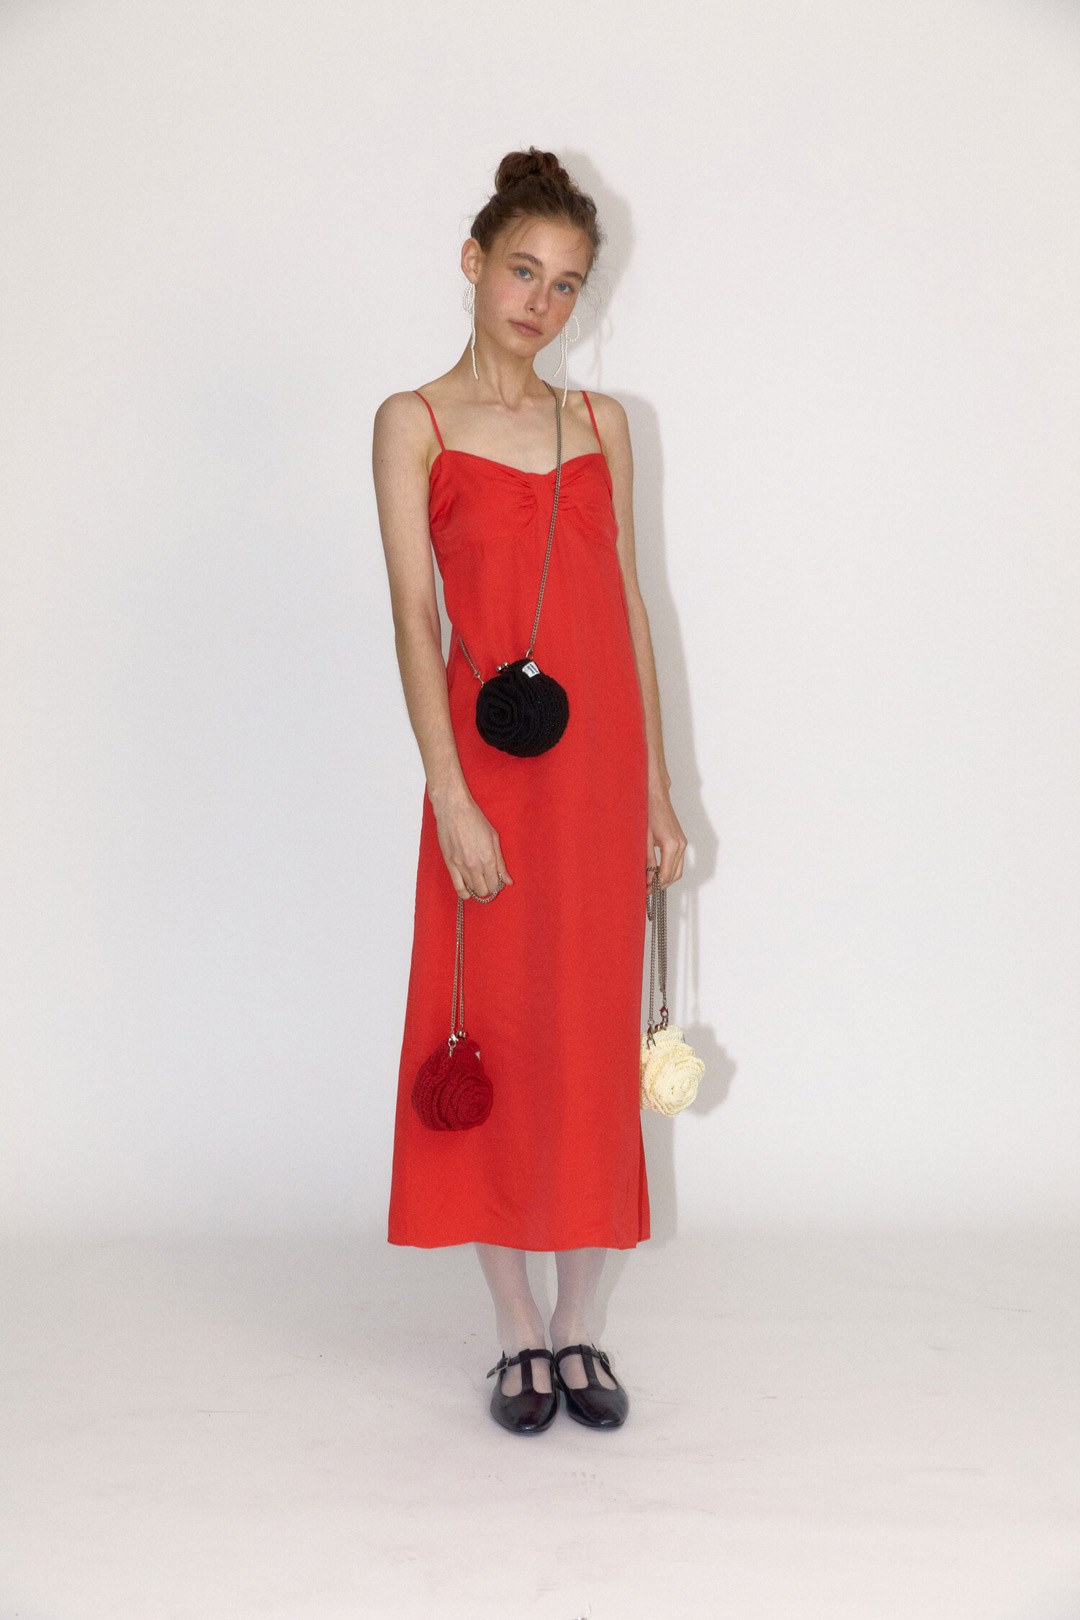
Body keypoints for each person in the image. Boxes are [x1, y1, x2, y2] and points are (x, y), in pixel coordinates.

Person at [372, 148, 686, 1434]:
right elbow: (413, 619)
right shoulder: (414, 422)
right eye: (521, 271)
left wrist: (657, 793)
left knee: (593, 1038)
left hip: (600, 781)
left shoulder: (603, 424)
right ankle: (514, 1328)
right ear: (473, 262)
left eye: (564, 286)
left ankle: (581, 1326)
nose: (539, 304)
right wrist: (450, 796)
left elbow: (630, 613)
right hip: (490, 783)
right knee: (492, 1028)